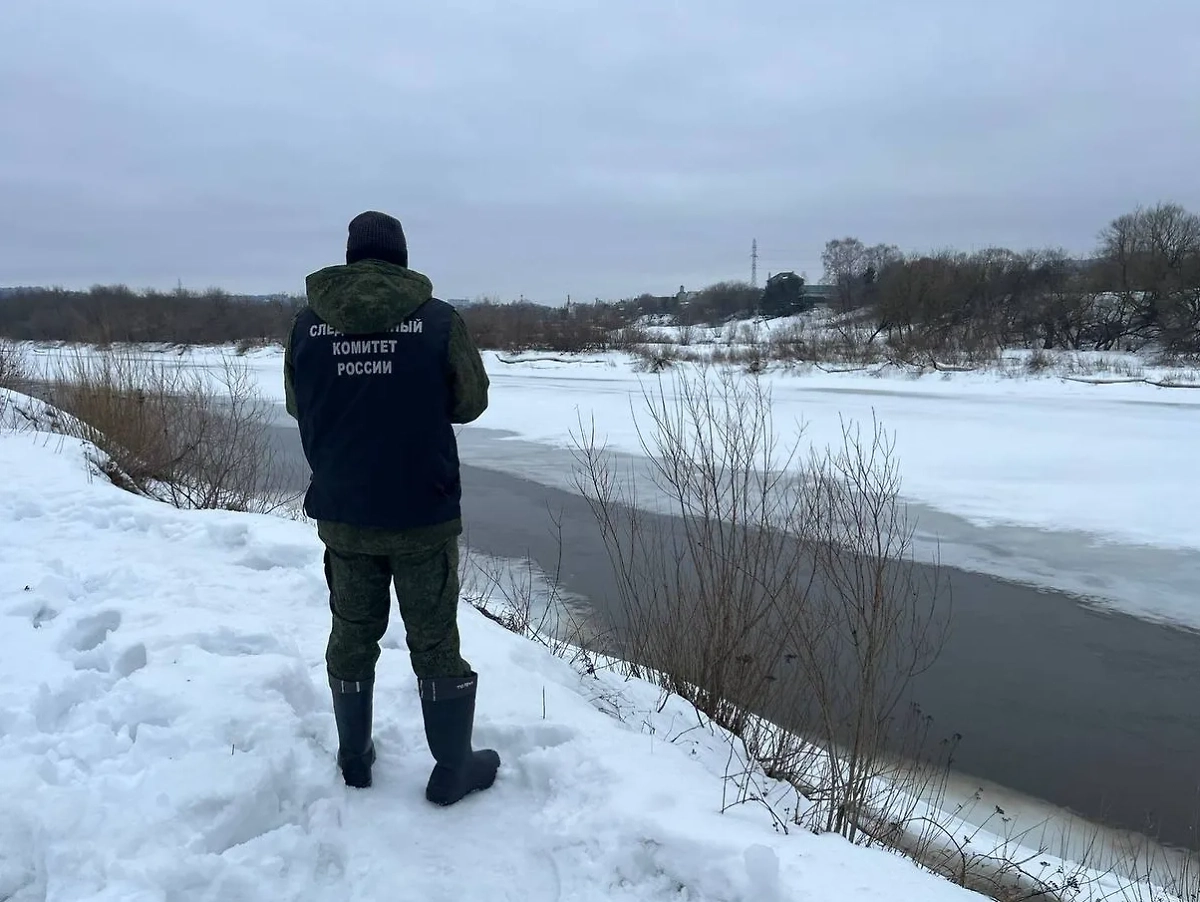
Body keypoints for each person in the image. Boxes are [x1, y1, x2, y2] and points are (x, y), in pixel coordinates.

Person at [284, 210, 500, 804]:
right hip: (421, 514)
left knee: (352, 634)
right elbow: (471, 401)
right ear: (401, 258)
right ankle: (453, 768)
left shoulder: (307, 326)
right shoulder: (437, 322)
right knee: (434, 639)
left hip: (345, 510)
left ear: (351, 256)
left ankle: (355, 757)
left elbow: (298, 405)